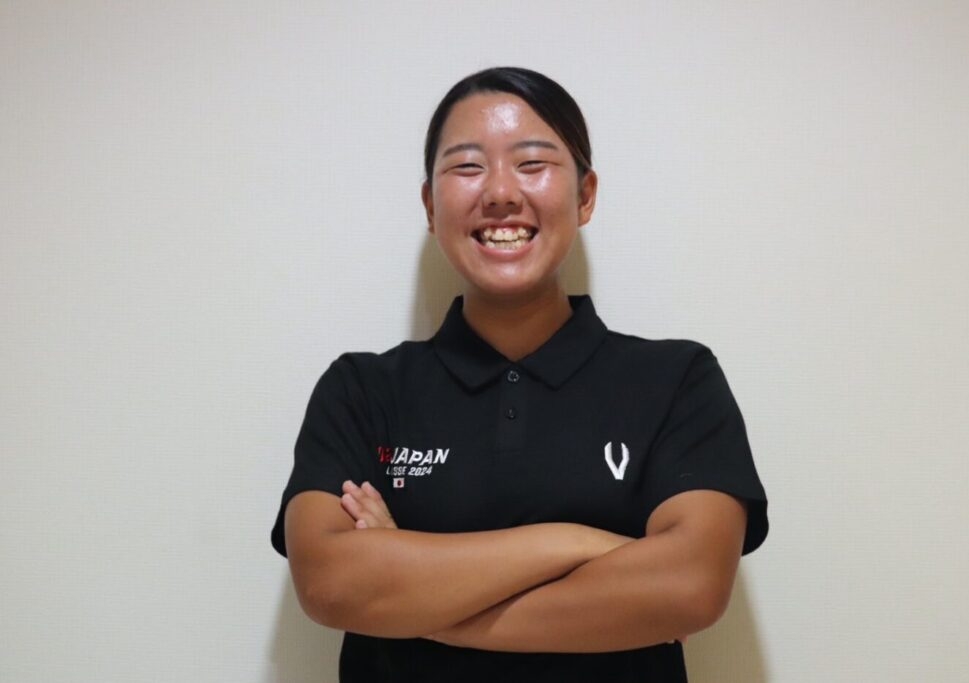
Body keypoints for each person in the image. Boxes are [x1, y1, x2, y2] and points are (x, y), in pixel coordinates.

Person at [271, 66, 769, 683]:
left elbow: (689, 587)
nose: (501, 192)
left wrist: (411, 600)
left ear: (585, 196)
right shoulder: (361, 391)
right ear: (430, 206)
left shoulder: (677, 380)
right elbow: (330, 583)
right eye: (467, 166)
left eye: (532, 164)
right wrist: (581, 543)